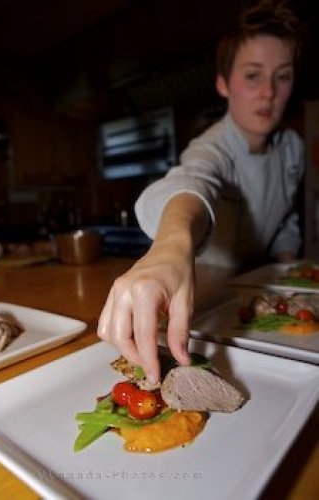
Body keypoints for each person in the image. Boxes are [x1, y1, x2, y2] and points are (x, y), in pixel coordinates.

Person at [97, 0, 306, 384]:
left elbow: (288, 217)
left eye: (283, 76)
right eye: (253, 75)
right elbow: (192, 179)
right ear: (223, 83)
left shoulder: (293, 146)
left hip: (260, 305)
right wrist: (171, 246)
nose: (268, 93)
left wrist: (285, 265)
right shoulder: (212, 146)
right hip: (208, 307)